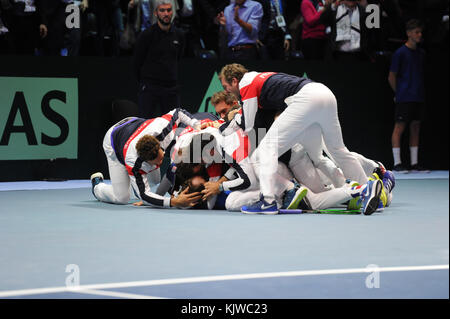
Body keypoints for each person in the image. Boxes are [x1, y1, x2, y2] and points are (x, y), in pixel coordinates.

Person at [216, 63, 382, 215]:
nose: (226, 91)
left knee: (266, 150)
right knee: (338, 150)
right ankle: (366, 189)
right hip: (325, 93)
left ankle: (267, 201)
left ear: (235, 81)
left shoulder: (246, 82)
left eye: (226, 86)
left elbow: (249, 125)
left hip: (306, 99)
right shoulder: (259, 79)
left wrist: (228, 127)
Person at [90, 108, 203, 208]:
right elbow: (144, 196)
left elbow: (179, 112)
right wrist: (173, 202)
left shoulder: (162, 128)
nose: (161, 162)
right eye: (156, 162)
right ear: (145, 161)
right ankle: (97, 186)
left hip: (131, 122)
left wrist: (196, 124)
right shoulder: (134, 162)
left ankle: (132, 184)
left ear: (158, 144)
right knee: (122, 198)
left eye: (161, 156)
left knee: (154, 181)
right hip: (113, 142)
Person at [388, 19, 428, 173]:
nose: (419, 35)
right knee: (399, 128)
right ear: (409, 33)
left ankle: (414, 163)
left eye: (420, 32)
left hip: (418, 96)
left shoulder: (421, 53)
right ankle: (397, 163)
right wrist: (398, 93)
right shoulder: (400, 53)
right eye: (417, 32)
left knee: (415, 127)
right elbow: (391, 76)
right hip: (404, 97)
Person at [133, 0, 185, 119]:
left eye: (168, 10)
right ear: (156, 13)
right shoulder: (146, 35)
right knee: (145, 124)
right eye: (162, 10)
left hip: (171, 88)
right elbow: (137, 62)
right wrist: (145, 82)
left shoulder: (179, 35)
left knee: (172, 125)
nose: (166, 14)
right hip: (150, 88)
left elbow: (179, 57)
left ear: (173, 12)